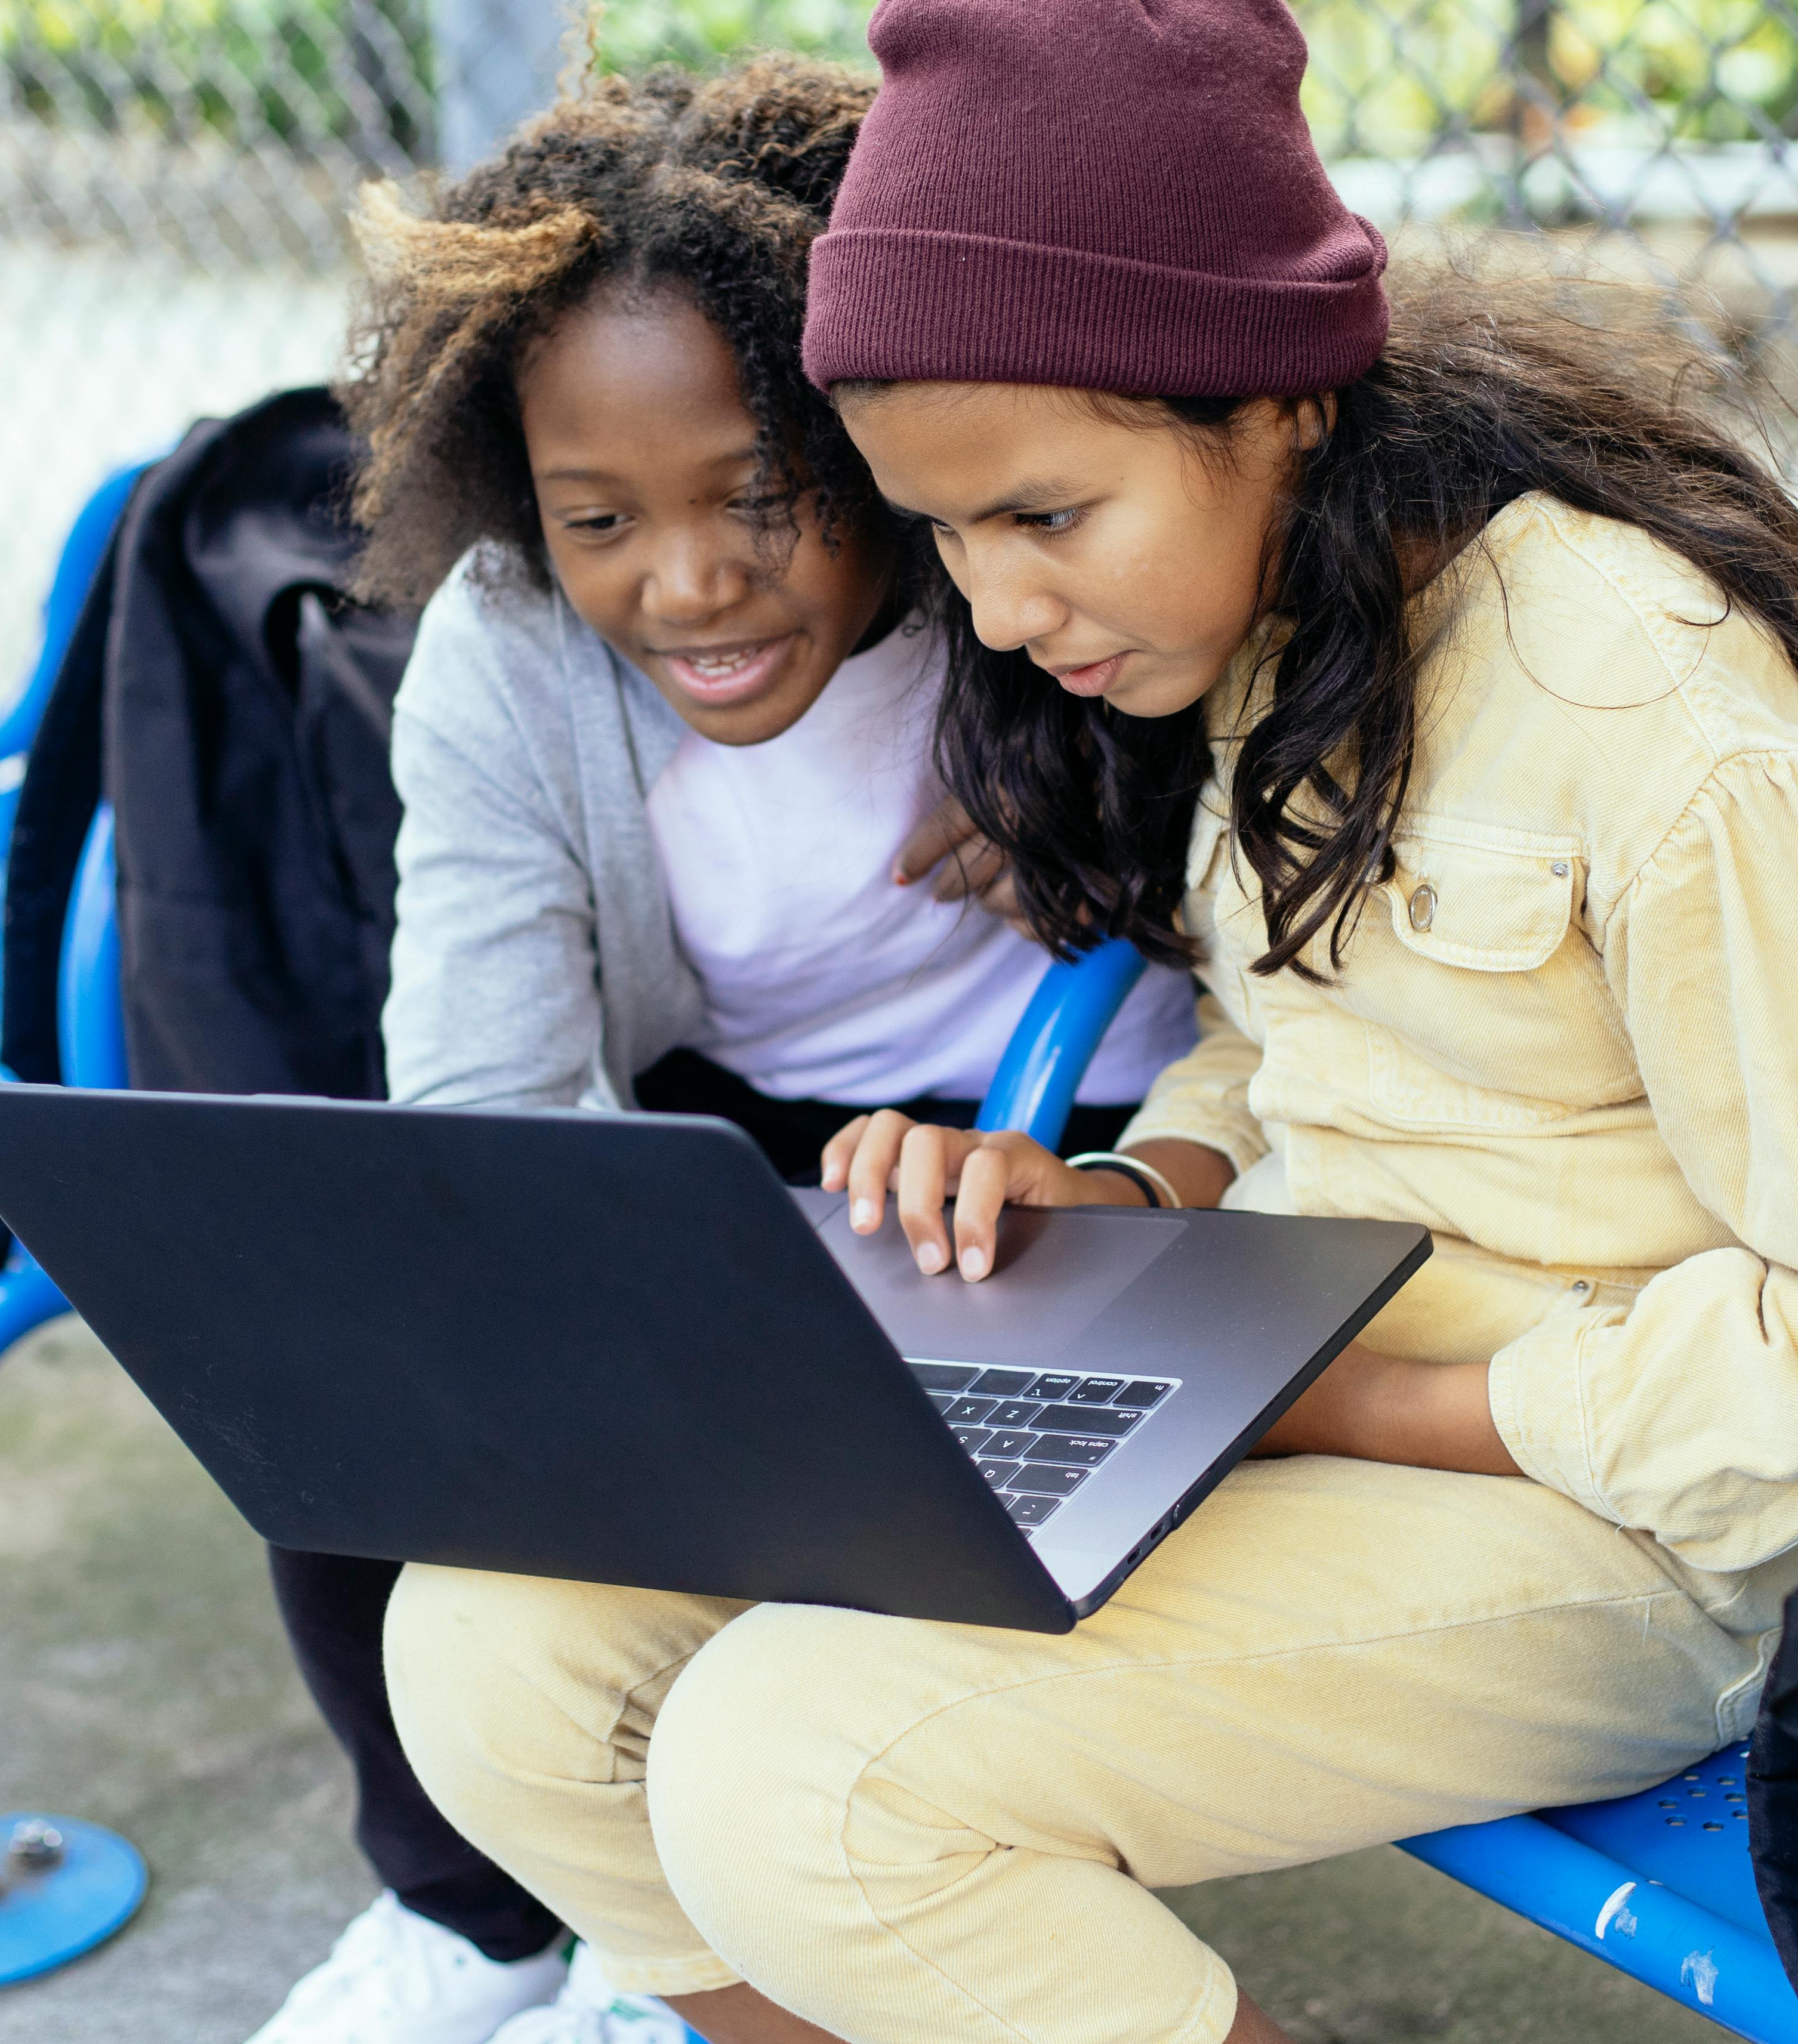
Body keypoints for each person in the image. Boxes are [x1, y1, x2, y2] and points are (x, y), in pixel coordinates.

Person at [380, 3, 1798, 2042]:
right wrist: (1120, 1197)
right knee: (497, 1640)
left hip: (1619, 1529)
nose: (994, 615)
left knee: (807, 1774)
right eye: (940, 532)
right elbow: (1298, 1046)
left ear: (1274, 397)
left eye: (1039, 517)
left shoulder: (1657, 711)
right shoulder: (1274, 616)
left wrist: (1362, 1403)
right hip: (1258, 1387)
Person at [245, 53, 1196, 2044]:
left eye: (760, 496)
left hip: (1052, 1138)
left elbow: (1261, 879)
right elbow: (485, 1101)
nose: (685, 580)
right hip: (734, 1138)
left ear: (878, 447)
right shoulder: (515, 653)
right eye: (603, 516)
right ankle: (499, 1917)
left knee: (818, 1519)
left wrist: (1103, 851)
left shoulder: (1020, 570)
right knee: (358, 1438)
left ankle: (704, 1929)